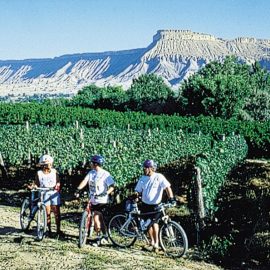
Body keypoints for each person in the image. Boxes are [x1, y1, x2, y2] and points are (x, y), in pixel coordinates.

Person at [134, 159, 176, 253]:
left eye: (146, 168)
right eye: (144, 168)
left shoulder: (159, 177)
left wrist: (171, 198)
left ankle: (156, 243)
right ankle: (152, 242)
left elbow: (167, 188)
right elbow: (137, 191)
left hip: (155, 205)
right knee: (147, 224)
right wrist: (136, 196)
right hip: (145, 205)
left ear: (151, 168)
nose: (144, 169)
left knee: (155, 223)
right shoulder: (142, 178)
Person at [75, 155, 115, 246]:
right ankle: (104, 236)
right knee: (100, 220)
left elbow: (112, 186)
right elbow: (85, 181)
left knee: (96, 218)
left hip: (101, 200)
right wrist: (78, 189)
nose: (90, 164)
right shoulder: (91, 173)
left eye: (91, 162)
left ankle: (98, 238)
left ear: (95, 164)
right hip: (93, 199)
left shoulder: (105, 174)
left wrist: (106, 193)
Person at [28, 154, 62, 237]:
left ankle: (58, 230)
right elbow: (37, 183)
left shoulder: (54, 172)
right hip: (44, 193)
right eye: (48, 164)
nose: (50, 166)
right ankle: (49, 230)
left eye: (50, 164)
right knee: (47, 213)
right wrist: (34, 186)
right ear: (43, 165)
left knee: (57, 212)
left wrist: (57, 185)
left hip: (54, 193)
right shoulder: (39, 173)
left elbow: (58, 181)